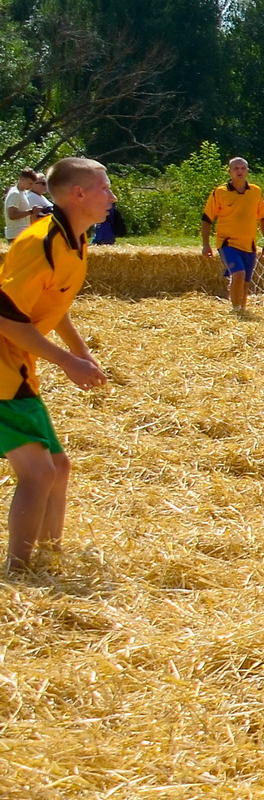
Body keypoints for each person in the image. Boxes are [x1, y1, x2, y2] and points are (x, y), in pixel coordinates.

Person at [0, 157, 111, 570]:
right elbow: (6, 318)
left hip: (16, 366)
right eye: (103, 188)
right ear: (78, 194)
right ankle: (20, 572)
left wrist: (81, 353)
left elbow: (53, 306)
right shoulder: (40, 242)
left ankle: (48, 559)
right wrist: (68, 363)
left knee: (58, 467)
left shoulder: (74, 240)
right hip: (3, 369)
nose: (112, 197)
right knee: (39, 473)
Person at [200, 157, 264, 316]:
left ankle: (242, 311)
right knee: (238, 274)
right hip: (227, 242)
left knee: (246, 282)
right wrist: (205, 244)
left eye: (243, 168)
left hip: (249, 243)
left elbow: (263, 218)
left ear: (247, 171)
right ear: (229, 171)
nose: (239, 171)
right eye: (236, 169)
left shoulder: (255, 191)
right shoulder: (220, 192)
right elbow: (206, 219)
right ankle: (235, 309)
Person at [4, 170, 50, 243]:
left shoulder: (23, 193)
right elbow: (12, 215)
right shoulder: (15, 194)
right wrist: (31, 211)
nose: (31, 186)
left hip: (22, 233)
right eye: (30, 183)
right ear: (22, 179)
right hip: (16, 235)